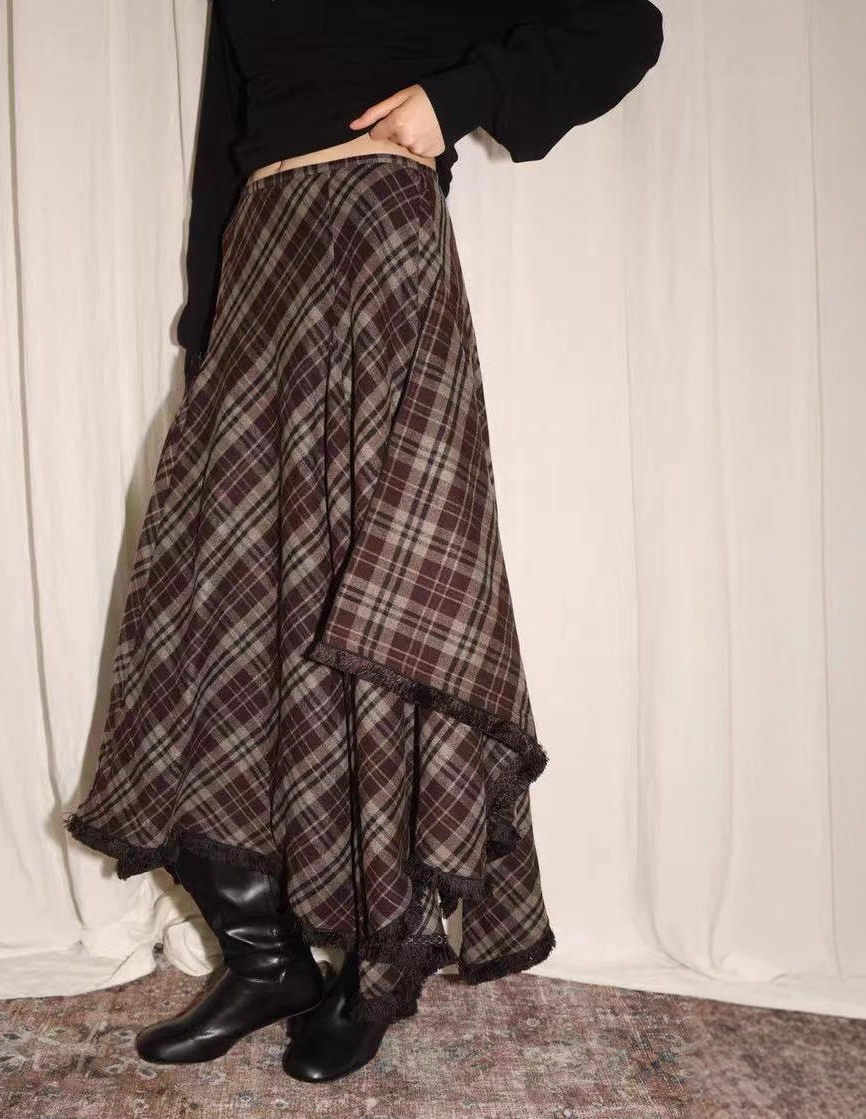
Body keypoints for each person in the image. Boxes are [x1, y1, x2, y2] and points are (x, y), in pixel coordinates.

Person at [66, 0, 665, 1084]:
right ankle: (265, 958)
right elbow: (223, 141)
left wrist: (456, 99)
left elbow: (621, 26)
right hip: (262, 257)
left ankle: (375, 971)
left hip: (380, 242)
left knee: (386, 593)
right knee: (213, 610)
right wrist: (207, 335)